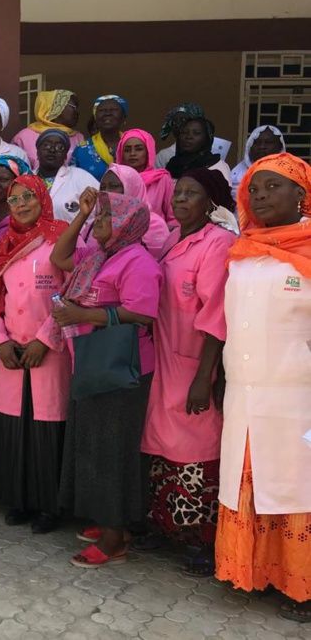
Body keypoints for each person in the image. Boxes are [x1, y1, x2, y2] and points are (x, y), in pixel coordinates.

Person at [215, 153, 311, 622]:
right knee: (249, 480)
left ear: (301, 195)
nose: (260, 197)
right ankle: (253, 571)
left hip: (297, 399)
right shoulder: (242, 254)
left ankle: (302, 586)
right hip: (246, 394)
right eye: (254, 189)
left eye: (273, 187)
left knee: (297, 486)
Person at [50, 188, 162, 567]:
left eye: (103, 218)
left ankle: (116, 537)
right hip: (92, 361)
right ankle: (109, 521)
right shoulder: (100, 255)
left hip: (121, 367)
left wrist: (83, 316)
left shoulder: (138, 262)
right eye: (97, 218)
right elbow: (59, 256)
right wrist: (81, 216)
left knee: (113, 451)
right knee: (94, 445)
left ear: (126, 225)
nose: (98, 222)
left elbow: (142, 314)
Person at [139, 167, 235, 576]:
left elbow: (216, 314)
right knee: (162, 446)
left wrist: (204, 377)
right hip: (166, 359)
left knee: (196, 451)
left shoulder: (217, 244)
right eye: (177, 193)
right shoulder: (177, 240)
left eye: (190, 194)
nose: (179, 199)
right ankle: (166, 525)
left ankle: (200, 539)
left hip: (196, 362)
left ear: (211, 202)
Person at [0, 175, 71, 533]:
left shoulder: (60, 239)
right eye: (13, 199)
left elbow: (72, 292)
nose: (20, 205)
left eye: (27, 197)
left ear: (42, 198)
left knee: (46, 429)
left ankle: (49, 506)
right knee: (15, 428)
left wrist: (44, 339)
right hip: (12, 351)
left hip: (48, 349)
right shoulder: (5, 244)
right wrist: (0, 341)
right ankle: (18, 499)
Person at [97, 165, 171, 258]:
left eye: (114, 186)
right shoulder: (97, 221)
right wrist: (83, 215)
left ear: (131, 187)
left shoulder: (154, 225)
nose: (106, 192)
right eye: (103, 187)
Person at [116, 128, 176, 227]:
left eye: (139, 149)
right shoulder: (116, 179)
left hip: (158, 238)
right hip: (121, 239)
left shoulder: (161, 179)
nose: (132, 153)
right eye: (127, 150)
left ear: (148, 151)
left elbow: (173, 217)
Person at [36, 129, 98, 223]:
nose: (52, 150)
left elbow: (100, 209)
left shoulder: (82, 177)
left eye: (59, 147)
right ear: (37, 152)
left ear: (65, 156)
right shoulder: (25, 179)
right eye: (46, 145)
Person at [13, 89, 84, 167]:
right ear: (55, 107)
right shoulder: (24, 136)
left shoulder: (79, 138)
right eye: (74, 107)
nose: (77, 112)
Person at [155, 103, 232, 169]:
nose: (178, 125)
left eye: (196, 132)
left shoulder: (218, 164)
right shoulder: (167, 158)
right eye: (175, 122)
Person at [72, 95, 129, 181]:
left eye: (114, 110)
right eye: (102, 110)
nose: (107, 113)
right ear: (95, 118)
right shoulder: (81, 149)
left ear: (123, 117)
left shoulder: (133, 145)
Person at [165, 117, 231, 182]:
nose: (188, 137)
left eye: (196, 133)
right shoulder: (172, 164)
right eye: (184, 132)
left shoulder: (217, 166)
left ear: (207, 138)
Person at [229, 125, 285, 198]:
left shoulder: (289, 172)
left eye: (268, 142)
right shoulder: (238, 173)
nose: (262, 146)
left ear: (279, 146)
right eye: (257, 143)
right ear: (250, 146)